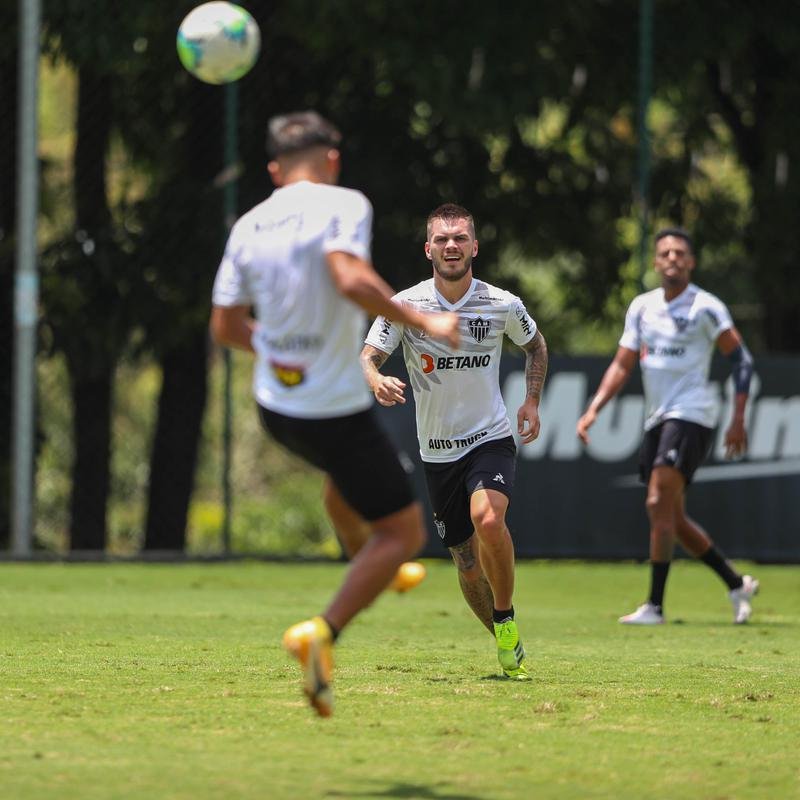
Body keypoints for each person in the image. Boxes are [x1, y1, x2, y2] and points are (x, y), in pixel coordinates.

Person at [209, 111, 460, 717]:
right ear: (331, 159)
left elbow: (224, 325)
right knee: (404, 532)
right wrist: (425, 321)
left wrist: (273, 349)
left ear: (273, 168)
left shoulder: (247, 224)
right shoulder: (342, 202)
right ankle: (322, 631)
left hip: (278, 407)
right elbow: (348, 278)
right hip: (332, 409)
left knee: (342, 482)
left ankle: (373, 566)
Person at [360, 203, 548, 679]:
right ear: (428, 249)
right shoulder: (405, 305)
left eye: (460, 238)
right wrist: (375, 379)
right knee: (466, 563)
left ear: (474, 247)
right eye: (442, 239)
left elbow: (535, 345)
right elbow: (368, 356)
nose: (451, 246)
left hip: (489, 437)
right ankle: (507, 640)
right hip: (437, 451)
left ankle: (504, 615)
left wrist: (531, 401)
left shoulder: (501, 302)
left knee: (488, 519)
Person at [576, 227, 759, 625]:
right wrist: (594, 409)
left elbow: (741, 360)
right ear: (656, 262)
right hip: (657, 417)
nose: (672, 258)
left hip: (692, 413)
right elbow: (623, 363)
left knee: (657, 503)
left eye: (680, 253)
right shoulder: (642, 307)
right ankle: (736, 583)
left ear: (691, 262)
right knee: (671, 518)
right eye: (665, 253)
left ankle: (655, 607)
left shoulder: (707, 308)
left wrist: (738, 418)